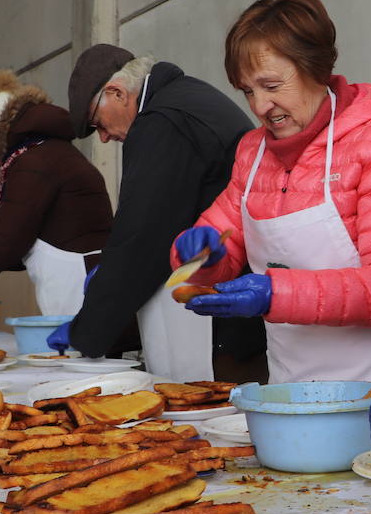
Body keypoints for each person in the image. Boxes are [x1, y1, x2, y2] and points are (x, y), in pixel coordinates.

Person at [172, 0, 371, 384]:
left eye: (272, 86)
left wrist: (275, 294)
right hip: (291, 387)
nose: (260, 107)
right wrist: (198, 256)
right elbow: (220, 237)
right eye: (248, 91)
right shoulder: (253, 153)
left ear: (315, 68)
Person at [46, 46, 255, 381]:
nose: (103, 137)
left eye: (97, 123)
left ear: (116, 92)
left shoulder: (161, 122)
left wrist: (87, 331)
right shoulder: (185, 96)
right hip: (236, 299)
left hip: (223, 315)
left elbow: (140, 239)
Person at [0, 70, 112, 315]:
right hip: (85, 274)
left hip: (76, 284)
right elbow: (33, 237)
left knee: (77, 352)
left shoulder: (33, 163)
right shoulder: (53, 152)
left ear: (2, 136)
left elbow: (8, 243)